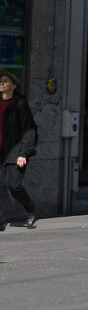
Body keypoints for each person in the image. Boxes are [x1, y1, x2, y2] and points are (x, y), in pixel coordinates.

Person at [0, 71, 37, 229]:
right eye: (1, 81)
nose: (2, 83)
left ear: (14, 86)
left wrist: (23, 153)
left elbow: (29, 130)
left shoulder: (20, 104)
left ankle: (30, 210)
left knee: (13, 186)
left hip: (15, 151)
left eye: (6, 81)